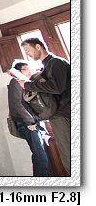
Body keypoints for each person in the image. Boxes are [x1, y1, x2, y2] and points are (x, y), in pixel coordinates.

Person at [18, 37, 70, 174]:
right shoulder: (47, 66)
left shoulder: (56, 62)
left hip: (64, 114)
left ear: (38, 47)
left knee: (69, 154)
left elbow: (57, 87)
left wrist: (28, 85)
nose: (27, 54)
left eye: (28, 50)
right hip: (59, 115)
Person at [8, 60, 48, 176]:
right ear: (18, 71)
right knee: (40, 158)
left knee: (40, 156)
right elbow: (17, 104)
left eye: (30, 69)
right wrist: (29, 121)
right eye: (26, 69)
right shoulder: (16, 82)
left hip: (34, 122)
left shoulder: (27, 83)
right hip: (27, 123)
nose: (30, 71)